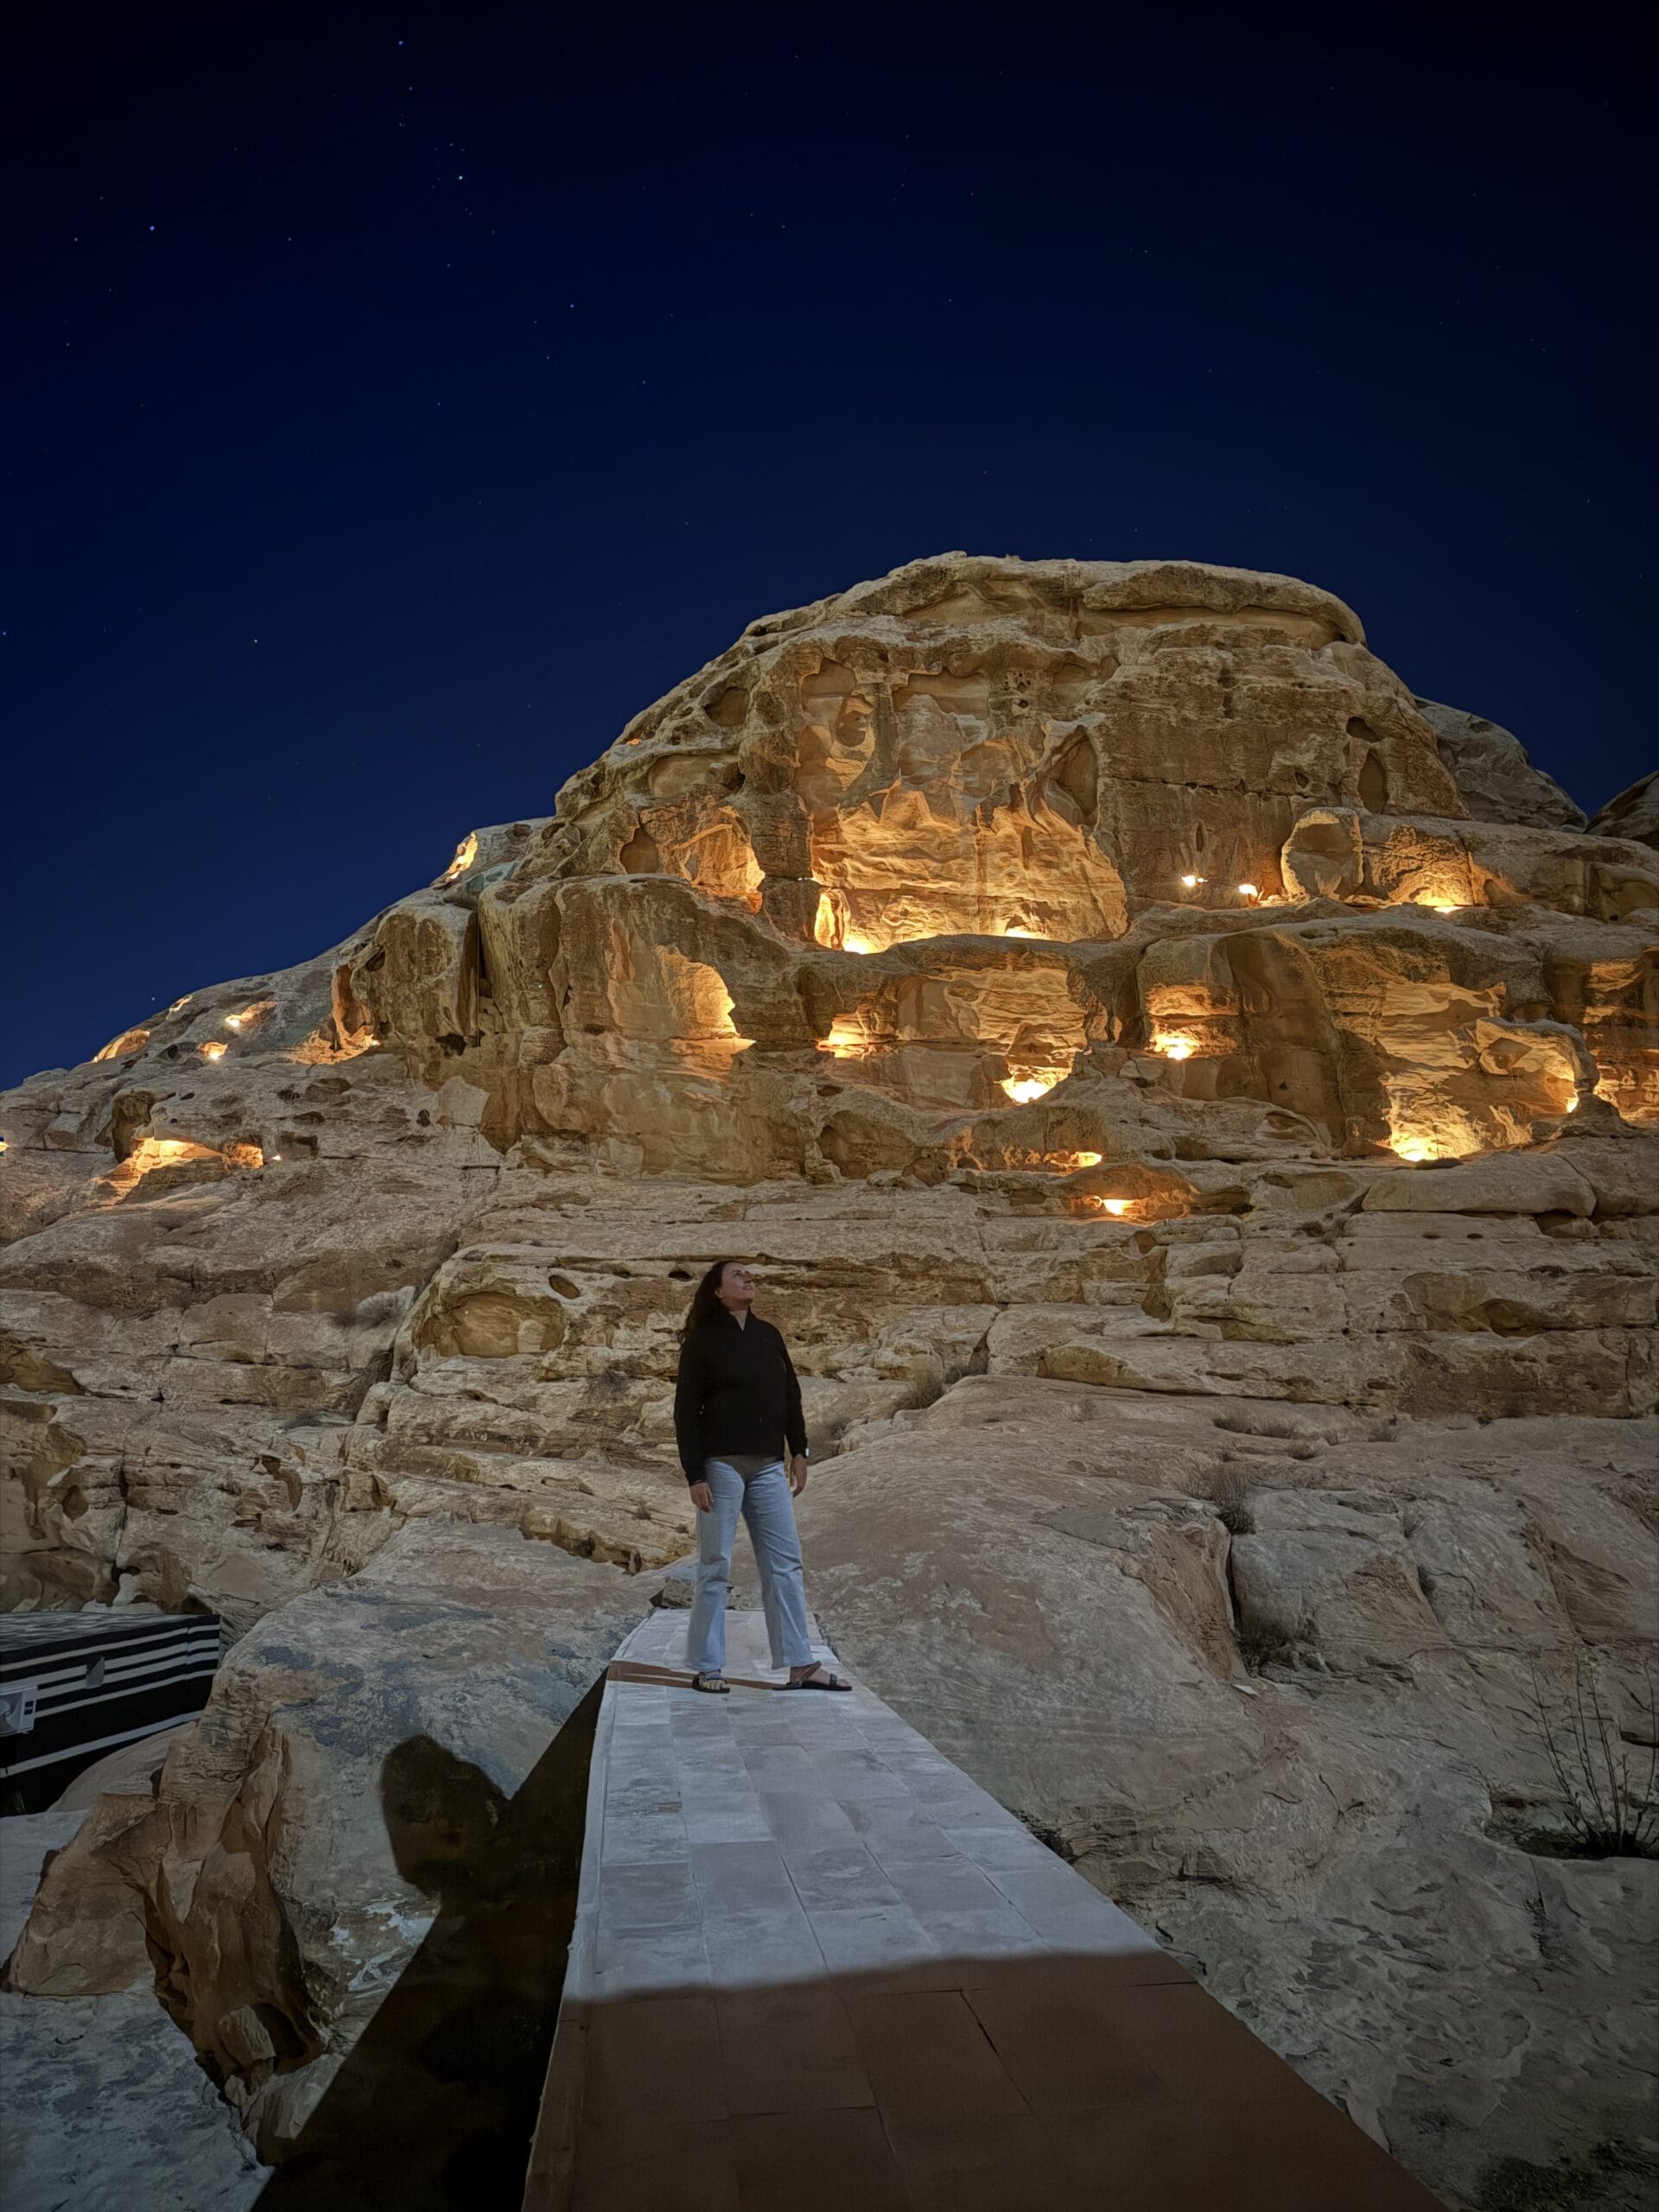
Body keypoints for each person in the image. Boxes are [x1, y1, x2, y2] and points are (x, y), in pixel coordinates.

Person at [673, 1260, 850, 1695]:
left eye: (751, 1275)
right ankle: (708, 1666)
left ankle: (801, 1666)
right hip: (722, 1466)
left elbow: (790, 1394)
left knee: (785, 1563)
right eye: (738, 1275)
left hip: (770, 1466)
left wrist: (800, 1450)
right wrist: (695, 1473)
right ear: (717, 1290)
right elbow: (685, 1411)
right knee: (715, 1565)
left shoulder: (769, 1335)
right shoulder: (702, 1341)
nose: (749, 1279)